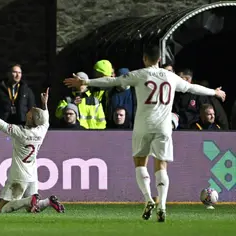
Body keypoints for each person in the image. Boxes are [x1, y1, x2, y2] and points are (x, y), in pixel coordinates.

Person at [63, 45, 226, 222]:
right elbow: (192, 88)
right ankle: (162, 205)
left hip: (143, 126)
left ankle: (148, 199)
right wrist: (214, 92)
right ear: (160, 60)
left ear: (145, 59)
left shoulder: (139, 74)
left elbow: (113, 81)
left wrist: (86, 82)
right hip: (164, 127)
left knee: (140, 162)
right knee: (161, 165)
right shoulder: (171, 76)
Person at [0, 86, 65, 214]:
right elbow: (46, 120)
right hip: (32, 175)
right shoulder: (41, 131)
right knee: (32, 209)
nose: (29, 110)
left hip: (18, 176)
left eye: (31, 111)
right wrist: (45, 104)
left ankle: (28, 200)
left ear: (31, 118)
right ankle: (49, 201)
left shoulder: (19, 132)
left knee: (2, 209)